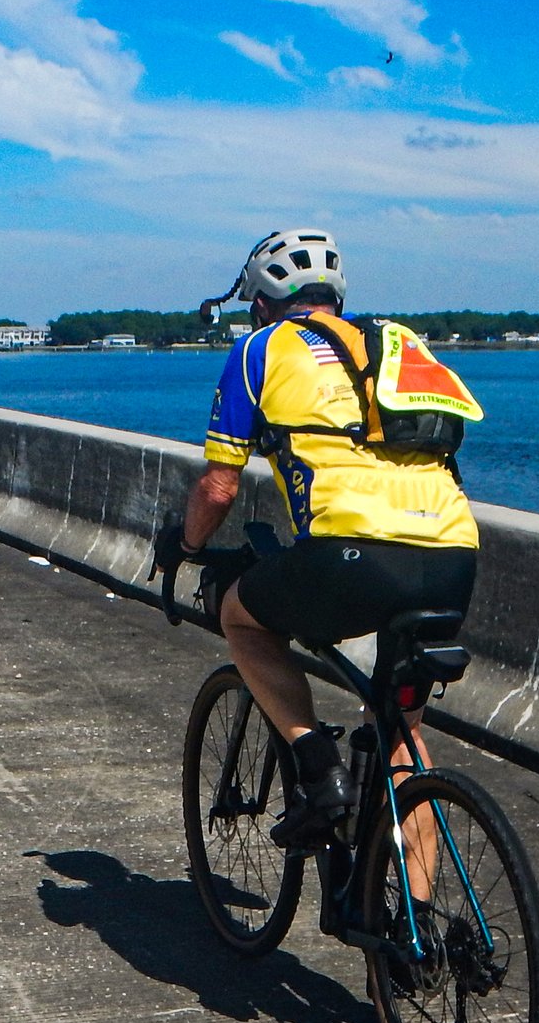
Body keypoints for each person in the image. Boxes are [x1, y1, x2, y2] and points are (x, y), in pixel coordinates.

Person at [159, 228, 479, 848]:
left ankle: (318, 768)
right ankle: (418, 935)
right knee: (402, 737)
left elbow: (219, 490)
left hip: (349, 557)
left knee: (244, 618)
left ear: (258, 303)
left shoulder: (259, 347)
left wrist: (188, 546)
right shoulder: (398, 341)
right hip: (452, 554)